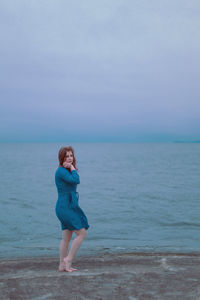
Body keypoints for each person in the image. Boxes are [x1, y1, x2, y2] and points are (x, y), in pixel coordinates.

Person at [55, 146, 89, 272]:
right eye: (67, 156)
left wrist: (71, 168)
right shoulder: (61, 171)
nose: (69, 158)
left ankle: (62, 265)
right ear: (62, 158)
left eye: (71, 155)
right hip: (65, 207)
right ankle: (68, 259)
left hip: (66, 206)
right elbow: (76, 179)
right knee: (82, 233)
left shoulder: (66, 170)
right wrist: (73, 168)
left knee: (66, 238)